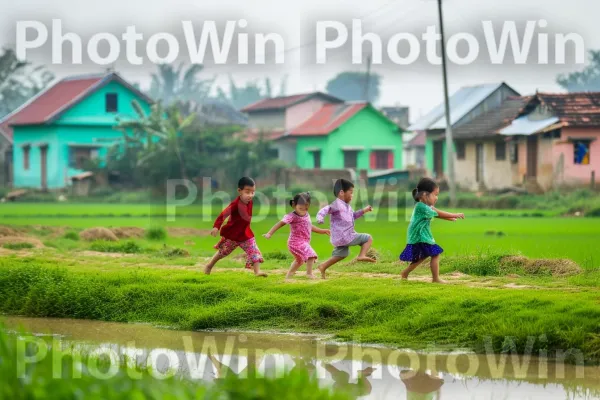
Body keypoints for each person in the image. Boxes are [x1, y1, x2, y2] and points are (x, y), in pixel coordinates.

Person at [399, 177, 464, 283]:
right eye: (435, 194)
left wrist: (450, 218)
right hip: (419, 236)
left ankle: (405, 273)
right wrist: (455, 214)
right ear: (425, 195)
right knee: (435, 253)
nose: (437, 198)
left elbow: (437, 213)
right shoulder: (421, 207)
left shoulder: (426, 207)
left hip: (421, 235)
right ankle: (436, 279)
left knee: (422, 257)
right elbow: (438, 213)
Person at [204, 177, 267, 277]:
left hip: (246, 234)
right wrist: (216, 226)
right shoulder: (235, 205)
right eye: (247, 192)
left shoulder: (250, 202)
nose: (250, 195)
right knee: (223, 252)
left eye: (253, 192)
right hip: (233, 235)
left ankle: (257, 272)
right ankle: (209, 265)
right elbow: (223, 214)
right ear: (239, 191)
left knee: (254, 251)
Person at [263, 192, 330, 281]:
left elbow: (309, 226)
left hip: (303, 242)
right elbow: (280, 224)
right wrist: (269, 233)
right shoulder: (292, 216)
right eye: (300, 208)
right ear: (294, 205)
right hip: (295, 242)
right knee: (311, 255)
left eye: (306, 207)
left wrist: (323, 231)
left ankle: (289, 275)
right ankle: (309, 274)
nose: (303, 210)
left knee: (299, 261)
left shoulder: (307, 215)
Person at [316, 178, 375, 279]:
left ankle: (323, 266)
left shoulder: (347, 207)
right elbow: (325, 209)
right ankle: (362, 255)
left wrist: (364, 210)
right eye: (351, 193)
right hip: (345, 236)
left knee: (341, 254)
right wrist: (320, 218)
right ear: (342, 192)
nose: (352, 196)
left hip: (339, 238)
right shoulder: (337, 205)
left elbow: (353, 216)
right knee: (368, 238)